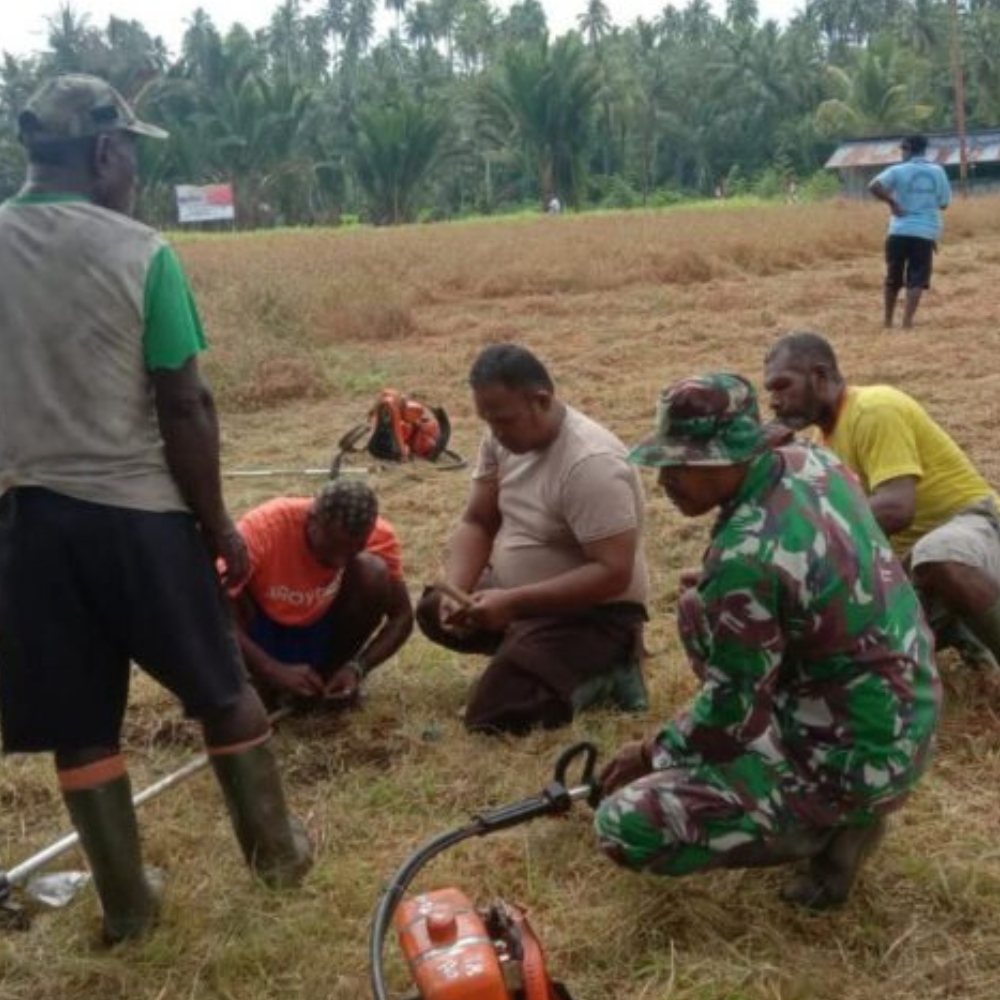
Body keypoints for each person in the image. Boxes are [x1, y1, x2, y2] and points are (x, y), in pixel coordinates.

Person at [0, 75, 311, 944]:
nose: (134, 168)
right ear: (104, 152)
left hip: (29, 522)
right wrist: (218, 527)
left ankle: (129, 906)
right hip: (137, 514)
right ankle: (280, 857)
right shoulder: (142, 253)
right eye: (132, 150)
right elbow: (185, 405)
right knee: (222, 691)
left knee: (79, 723)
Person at [596, 373, 940, 909]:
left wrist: (649, 753)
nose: (666, 479)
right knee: (696, 607)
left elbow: (729, 714)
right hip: (907, 711)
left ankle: (827, 826)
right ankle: (828, 792)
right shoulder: (813, 463)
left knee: (622, 825)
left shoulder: (745, 557)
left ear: (737, 454)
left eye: (685, 463)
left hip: (858, 756)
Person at [415, 343, 649, 734]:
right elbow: (477, 521)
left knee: (495, 716)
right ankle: (529, 653)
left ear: (541, 400)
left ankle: (611, 672)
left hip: (597, 614)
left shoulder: (590, 464)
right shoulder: (501, 439)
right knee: (431, 609)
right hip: (522, 602)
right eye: (488, 422)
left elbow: (612, 573)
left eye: (504, 421)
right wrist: (458, 588)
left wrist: (513, 603)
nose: (495, 433)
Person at [764, 331, 1000, 671]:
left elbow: (896, 510)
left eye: (783, 385)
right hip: (913, 563)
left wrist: (799, 539)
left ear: (819, 376)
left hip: (973, 529)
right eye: (770, 391)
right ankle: (965, 631)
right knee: (834, 643)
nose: (773, 401)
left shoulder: (874, 409)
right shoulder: (821, 445)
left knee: (938, 554)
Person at [231, 479, 413, 707]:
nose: (339, 560)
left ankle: (324, 679)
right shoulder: (266, 527)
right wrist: (270, 669)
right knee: (227, 592)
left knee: (373, 572)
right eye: (331, 547)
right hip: (261, 633)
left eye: (353, 550)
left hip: (319, 632)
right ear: (312, 520)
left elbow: (402, 617)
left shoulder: (379, 535)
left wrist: (357, 668)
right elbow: (210, 611)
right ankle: (256, 681)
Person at [868, 134, 951, 329]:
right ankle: (907, 323)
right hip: (924, 233)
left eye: (902, 149)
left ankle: (887, 322)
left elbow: (873, 186)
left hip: (898, 231)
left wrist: (893, 203)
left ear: (908, 148)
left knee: (892, 277)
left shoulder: (897, 170)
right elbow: (944, 203)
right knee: (917, 279)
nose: (901, 153)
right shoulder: (938, 171)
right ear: (924, 149)